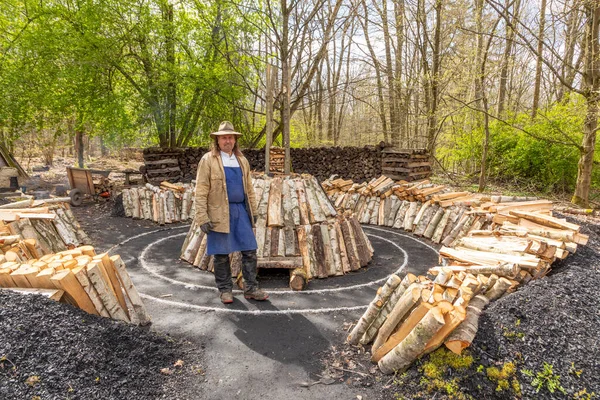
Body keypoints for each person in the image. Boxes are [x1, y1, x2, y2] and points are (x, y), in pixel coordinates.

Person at [194, 121, 269, 304]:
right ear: (217, 140)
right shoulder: (208, 160)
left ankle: (251, 288)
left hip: (241, 211)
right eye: (224, 137)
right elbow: (201, 189)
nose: (227, 141)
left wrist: (254, 210)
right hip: (219, 212)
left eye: (230, 137)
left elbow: (249, 188)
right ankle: (225, 290)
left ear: (235, 140)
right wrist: (202, 217)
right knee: (221, 254)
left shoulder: (242, 160)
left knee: (250, 250)